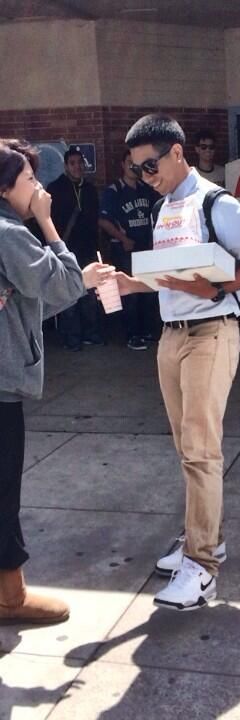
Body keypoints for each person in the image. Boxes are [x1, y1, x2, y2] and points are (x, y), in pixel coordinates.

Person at [115, 113, 240, 611]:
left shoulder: (216, 203)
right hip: (171, 335)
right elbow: (166, 276)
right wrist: (124, 282)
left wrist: (218, 287)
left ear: (177, 153)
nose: (146, 175)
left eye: (152, 164)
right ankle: (206, 537)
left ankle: (202, 566)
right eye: (139, 169)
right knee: (188, 448)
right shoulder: (164, 209)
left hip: (212, 331)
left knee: (201, 450)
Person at [0, 139, 113, 624]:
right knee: (4, 491)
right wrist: (49, 226)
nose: (39, 188)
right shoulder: (11, 232)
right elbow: (61, 286)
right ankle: (10, 596)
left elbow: (42, 300)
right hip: (2, 386)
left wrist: (77, 281)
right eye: (29, 180)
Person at [99, 149, 160, 350]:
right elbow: (104, 220)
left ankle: (147, 330)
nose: (133, 167)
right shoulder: (114, 191)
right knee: (130, 293)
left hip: (146, 249)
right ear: (123, 165)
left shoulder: (146, 189)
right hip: (125, 250)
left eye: (136, 164)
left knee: (148, 290)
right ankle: (132, 335)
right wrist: (123, 238)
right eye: (129, 163)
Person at [47, 147, 103, 351]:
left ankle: (91, 333)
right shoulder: (54, 189)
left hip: (87, 249)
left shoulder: (89, 189)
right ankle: (71, 337)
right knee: (68, 295)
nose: (77, 166)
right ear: (65, 166)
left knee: (89, 294)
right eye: (73, 163)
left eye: (80, 162)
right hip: (66, 250)